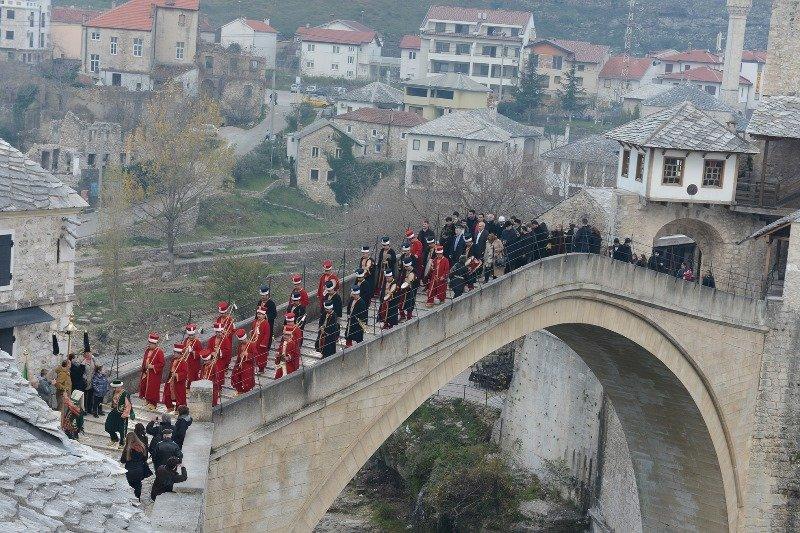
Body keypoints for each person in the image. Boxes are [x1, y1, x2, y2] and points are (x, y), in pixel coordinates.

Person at [120, 431, 151, 501]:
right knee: (138, 485)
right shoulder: (142, 446)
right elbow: (145, 458)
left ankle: (130, 499)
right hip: (139, 469)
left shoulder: (127, 449)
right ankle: (137, 498)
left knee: (130, 485)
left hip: (129, 470)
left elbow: (122, 460)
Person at [139, 332, 165, 410]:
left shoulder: (159, 351)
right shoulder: (147, 350)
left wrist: (153, 366)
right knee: (144, 385)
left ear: (155, 344)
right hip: (146, 372)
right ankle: (147, 400)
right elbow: (145, 360)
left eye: (151, 344)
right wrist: (144, 368)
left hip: (154, 374)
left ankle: (153, 403)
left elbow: (162, 363)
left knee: (152, 388)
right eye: (149, 343)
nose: (149, 345)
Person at [105, 380, 133, 447]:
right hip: (114, 412)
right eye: (114, 387)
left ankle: (122, 443)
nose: (114, 389)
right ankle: (114, 439)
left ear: (120, 387)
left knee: (122, 429)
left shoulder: (125, 394)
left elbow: (128, 405)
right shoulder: (114, 392)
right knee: (108, 426)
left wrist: (125, 414)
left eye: (116, 387)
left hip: (122, 413)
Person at [163, 343, 189, 414]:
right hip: (171, 379)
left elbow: (185, 373)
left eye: (176, 353)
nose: (174, 354)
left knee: (179, 395)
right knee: (167, 393)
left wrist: (177, 375)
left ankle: (179, 409)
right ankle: (170, 407)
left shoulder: (183, 363)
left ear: (180, 354)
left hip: (178, 381)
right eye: (174, 352)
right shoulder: (173, 360)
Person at [199, 339, 224, 407]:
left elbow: (216, 376)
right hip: (205, 384)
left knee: (212, 400)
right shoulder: (204, 366)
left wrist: (212, 383)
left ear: (209, 359)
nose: (204, 362)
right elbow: (202, 374)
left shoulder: (214, 366)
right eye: (204, 361)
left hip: (212, 386)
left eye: (206, 361)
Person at [231, 329, 256, 395]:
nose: (241, 342)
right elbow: (239, 357)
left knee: (247, 380)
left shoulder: (251, 345)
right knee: (236, 377)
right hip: (240, 364)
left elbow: (255, 356)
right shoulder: (240, 346)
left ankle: (247, 392)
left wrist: (247, 355)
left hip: (248, 365)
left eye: (242, 340)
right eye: (240, 341)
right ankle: (240, 391)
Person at [250, 307, 271, 374]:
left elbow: (267, 334)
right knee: (254, 355)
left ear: (264, 315)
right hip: (254, 341)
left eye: (261, 314)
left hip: (261, 342)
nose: (259, 315)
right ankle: (254, 367)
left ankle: (261, 369)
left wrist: (263, 343)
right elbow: (253, 329)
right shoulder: (255, 322)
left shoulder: (266, 323)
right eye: (258, 314)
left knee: (261, 356)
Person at [215, 301, 235, 371]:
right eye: (221, 313)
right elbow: (216, 326)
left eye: (223, 313)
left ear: (226, 312)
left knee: (227, 352)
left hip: (227, 338)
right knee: (220, 351)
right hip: (220, 337)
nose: (222, 314)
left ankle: (226, 366)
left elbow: (232, 330)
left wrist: (226, 332)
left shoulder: (229, 319)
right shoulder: (218, 319)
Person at [80, 333, 96, 416]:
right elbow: (81, 371)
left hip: (92, 381)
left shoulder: (93, 360)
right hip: (86, 381)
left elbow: (96, 368)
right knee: (85, 397)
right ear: (85, 355)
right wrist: (85, 378)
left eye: (90, 353)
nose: (89, 354)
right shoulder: (83, 362)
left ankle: (90, 409)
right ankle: (84, 409)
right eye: (88, 353)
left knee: (91, 396)